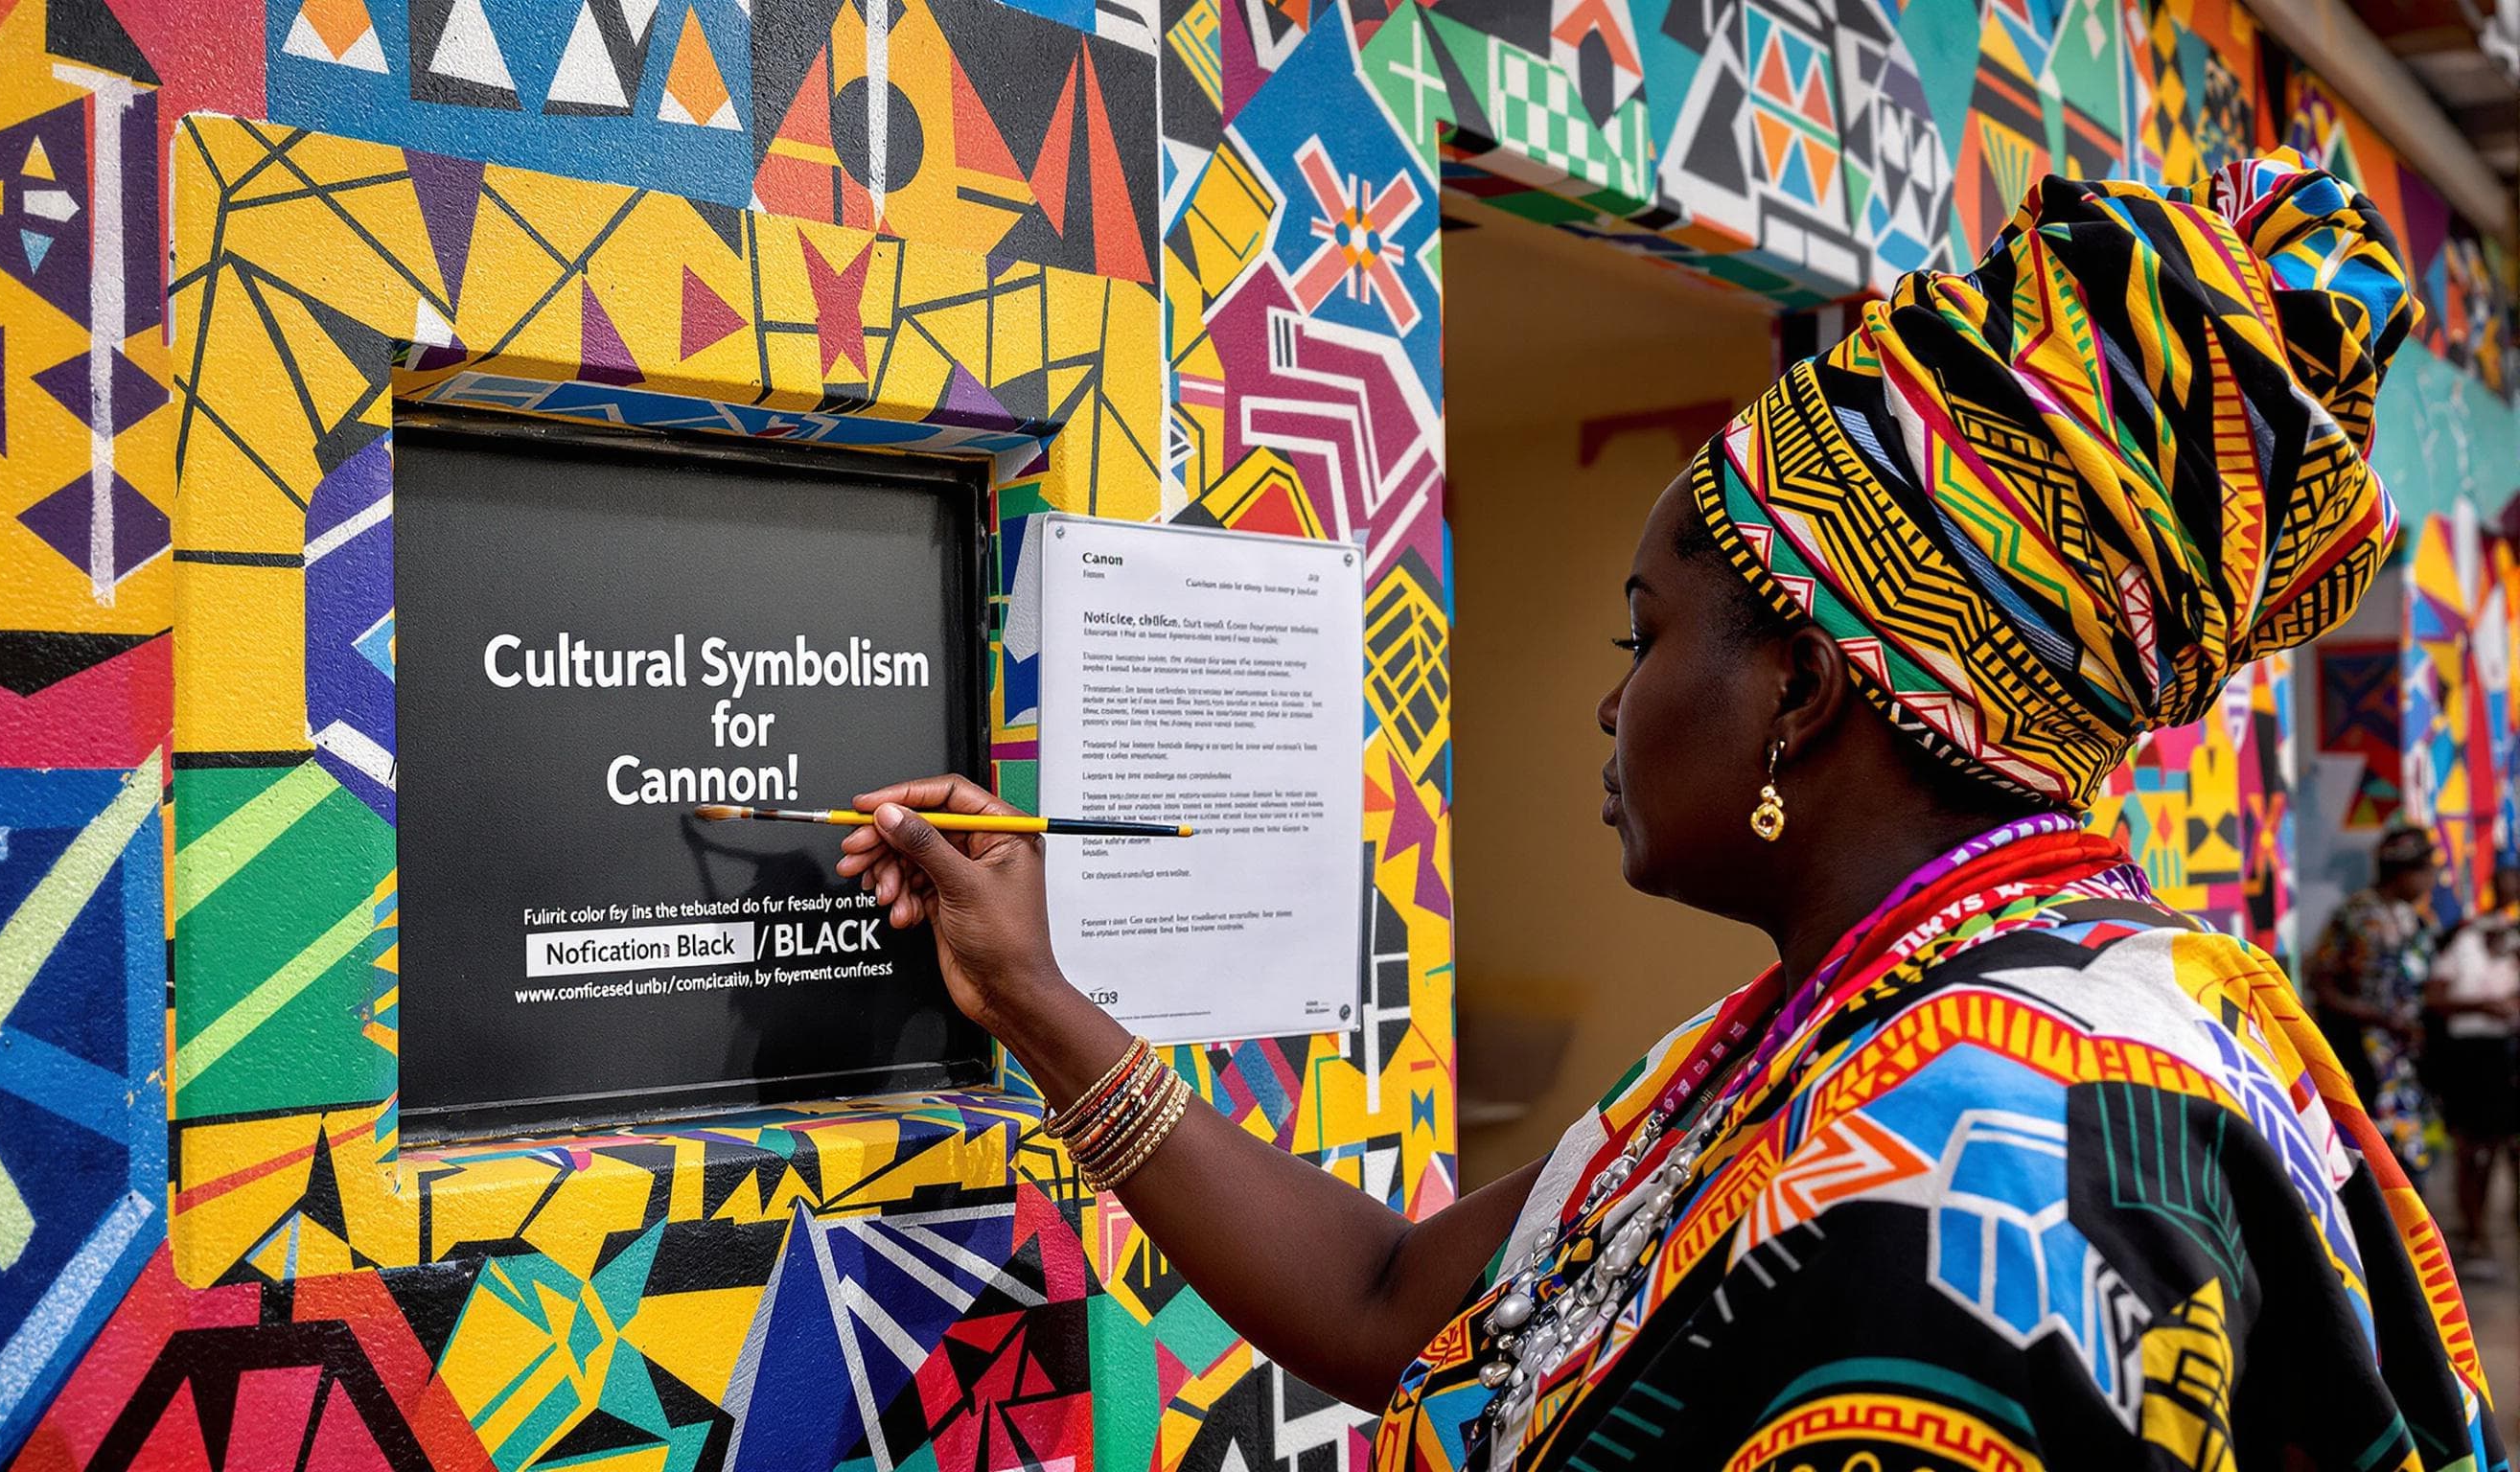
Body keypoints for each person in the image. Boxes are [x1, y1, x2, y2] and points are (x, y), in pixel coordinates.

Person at [838, 152, 2500, 1470]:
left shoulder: (1965, 1167)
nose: (1611, 699)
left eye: (1644, 635)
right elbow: (1387, 1300)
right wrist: (1041, 1000)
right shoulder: (1847, 1031)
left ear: (1801, 688)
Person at [2307, 825, 2442, 1187]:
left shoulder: (2416, 920)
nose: (2431, 879)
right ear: (2405, 872)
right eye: (2427, 869)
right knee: (2371, 1153)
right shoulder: (2356, 915)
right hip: (2362, 1053)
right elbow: (2320, 982)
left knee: (2412, 1158)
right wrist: (2373, 1016)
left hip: (2406, 1061)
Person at [2425, 857, 2520, 1273]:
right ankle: (2476, 1235)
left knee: (2508, 1149)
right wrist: (2484, 1004)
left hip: (2509, 1051)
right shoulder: (2465, 940)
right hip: (2474, 1058)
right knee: (2475, 1151)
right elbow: (2437, 997)